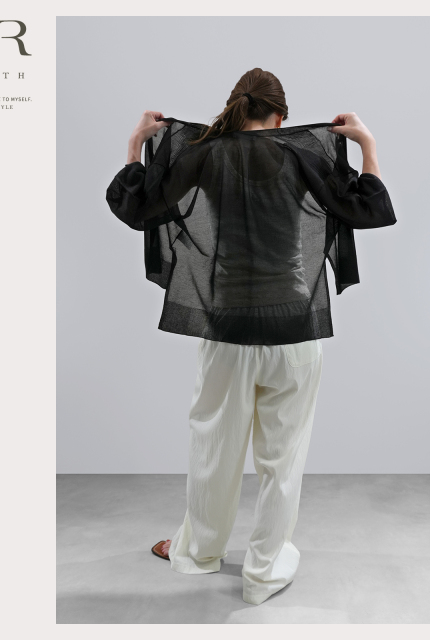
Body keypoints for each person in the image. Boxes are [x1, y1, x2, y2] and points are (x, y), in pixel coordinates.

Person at [105, 68, 396, 606]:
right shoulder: (305, 154)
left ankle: (198, 553)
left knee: (214, 447)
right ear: (281, 117)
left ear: (236, 107)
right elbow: (370, 210)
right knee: (282, 459)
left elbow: (136, 208)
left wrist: (135, 144)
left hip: (227, 330)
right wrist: (367, 144)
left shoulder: (202, 154)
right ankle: (264, 573)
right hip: (294, 329)